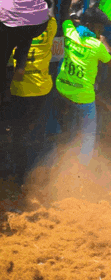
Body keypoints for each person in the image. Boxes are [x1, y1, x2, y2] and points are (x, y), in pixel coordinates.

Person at [55, 2, 111, 166]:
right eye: (99, 27)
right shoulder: (97, 46)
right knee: (89, 134)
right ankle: (83, 166)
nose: (101, 31)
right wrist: (105, 42)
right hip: (83, 98)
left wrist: (73, 20)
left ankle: (59, 151)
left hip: (62, 89)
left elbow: (65, 18)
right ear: (90, 25)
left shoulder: (70, 32)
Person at [8, 16, 57, 183]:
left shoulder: (13, 24)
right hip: (41, 88)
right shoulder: (51, 24)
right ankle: (33, 172)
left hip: (17, 88)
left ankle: (18, 173)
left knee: (18, 133)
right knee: (37, 132)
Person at [0, 0, 52, 105]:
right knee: (26, 33)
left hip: (10, 22)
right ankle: (21, 63)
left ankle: (2, 94)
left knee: (3, 57)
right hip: (37, 23)